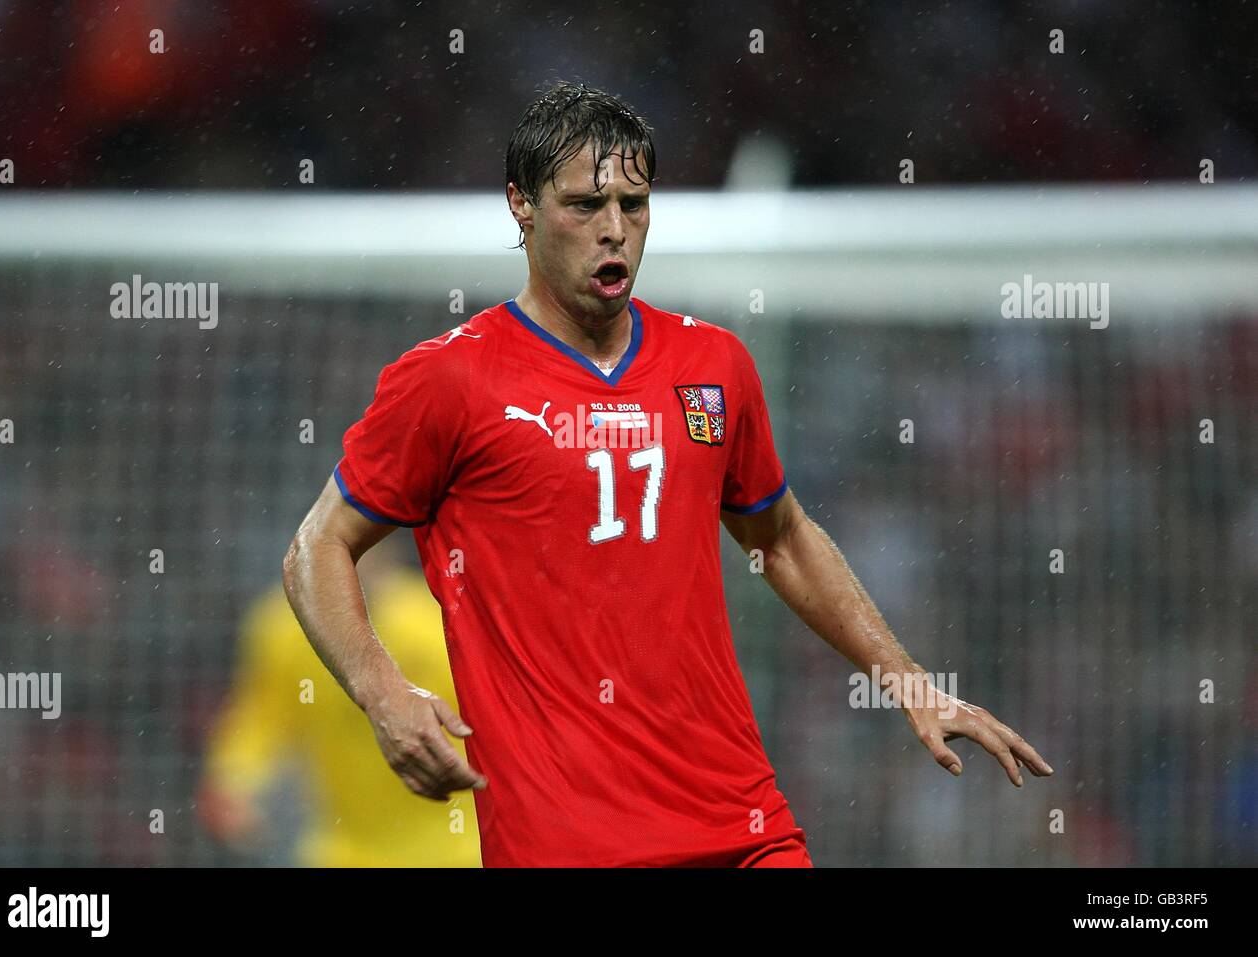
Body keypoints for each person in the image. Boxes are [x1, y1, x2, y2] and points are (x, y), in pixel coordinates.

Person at [281, 80, 1052, 867]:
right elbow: (315, 547)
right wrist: (383, 692)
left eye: (635, 203)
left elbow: (780, 536)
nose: (614, 229)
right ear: (520, 203)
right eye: (585, 205)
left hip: (742, 822)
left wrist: (909, 680)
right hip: (567, 845)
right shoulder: (450, 380)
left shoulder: (712, 366)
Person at [199, 538, 480, 866]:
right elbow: (261, 718)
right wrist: (233, 780)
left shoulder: (433, 622)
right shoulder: (285, 630)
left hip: (456, 849)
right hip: (343, 850)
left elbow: (487, 720)